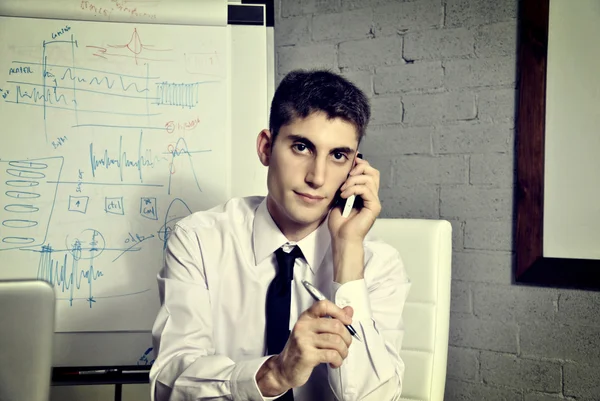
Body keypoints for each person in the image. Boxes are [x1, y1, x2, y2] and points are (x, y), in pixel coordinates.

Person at [150, 69, 411, 401]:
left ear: (355, 169)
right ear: (266, 147)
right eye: (302, 147)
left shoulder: (377, 263)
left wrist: (347, 254)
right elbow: (168, 384)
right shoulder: (199, 240)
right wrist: (274, 374)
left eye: (338, 156)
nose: (317, 177)